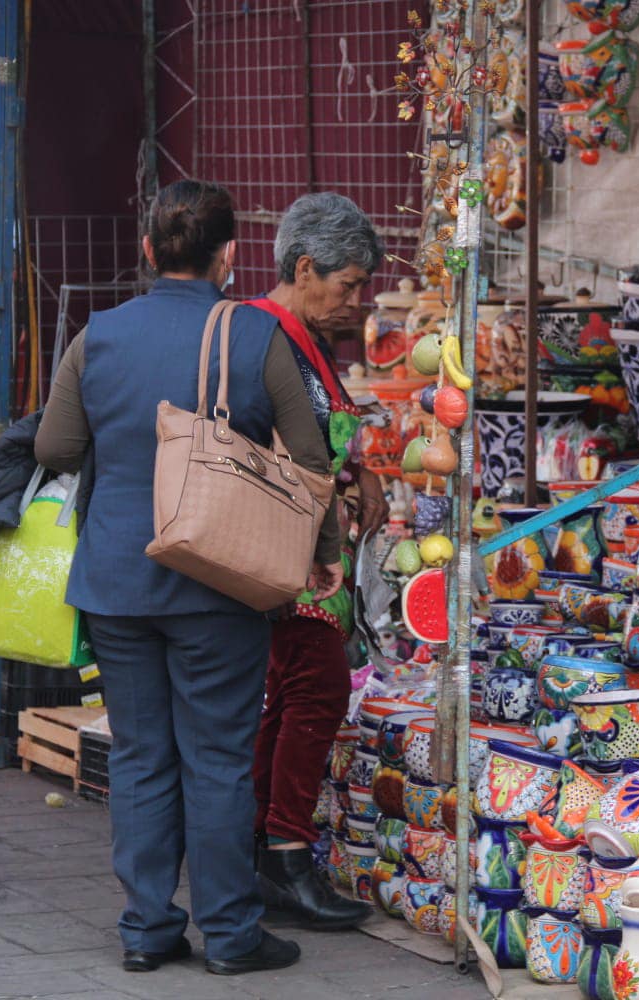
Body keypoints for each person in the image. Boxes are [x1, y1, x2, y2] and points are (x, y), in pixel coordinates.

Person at [36, 179, 343, 976]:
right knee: (217, 756)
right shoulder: (253, 336)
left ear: (147, 252)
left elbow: (55, 449)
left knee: (140, 756)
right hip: (218, 577)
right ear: (231, 257)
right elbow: (312, 461)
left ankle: (146, 930)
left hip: (116, 580)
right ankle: (232, 936)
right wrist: (326, 547)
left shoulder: (96, 335)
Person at [246, 192, 385, 928]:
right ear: (305, 267)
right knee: (318, 692)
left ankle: (261, 848)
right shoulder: (267, 338)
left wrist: (357, 472)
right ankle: (287, 853)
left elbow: (323, 442)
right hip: (293, 559)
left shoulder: (305, 340)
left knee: (292, 698)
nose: (357, 302)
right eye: (349, 284)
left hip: (310, 556)